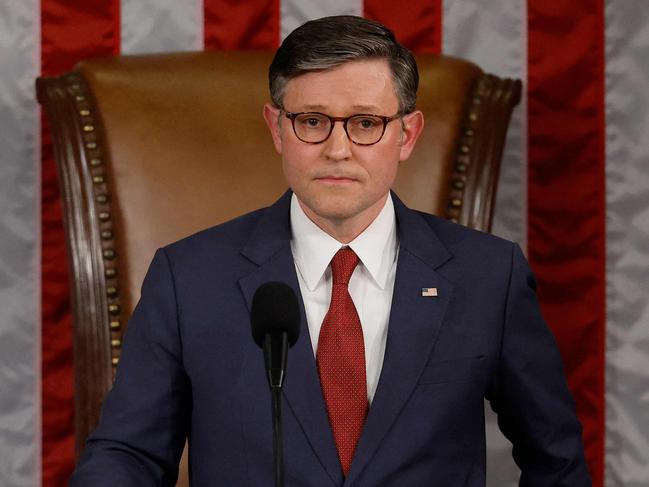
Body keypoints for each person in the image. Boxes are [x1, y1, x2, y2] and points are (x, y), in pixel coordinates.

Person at [70, 15, 591, 486]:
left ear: (407, 134)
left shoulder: (488, 277)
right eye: (312, 121)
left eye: (366, 123)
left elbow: (556, 460)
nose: (337, 150)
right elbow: (127, 456)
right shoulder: (189, 278)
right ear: (277, 128)